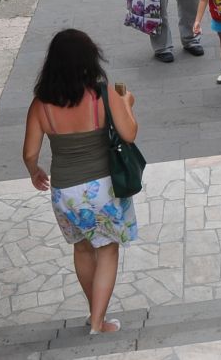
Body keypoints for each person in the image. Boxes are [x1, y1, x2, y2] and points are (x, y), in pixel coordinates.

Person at [22, 29, 140, 335]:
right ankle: (99, 323)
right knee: (108, 250)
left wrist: (35, 171)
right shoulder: (101, 94)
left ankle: (94, 314)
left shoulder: (41, 105)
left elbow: (30, 152)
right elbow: (129, 134)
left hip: (65, 192)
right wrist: (126, 102)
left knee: (83, 249)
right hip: (102, 188)